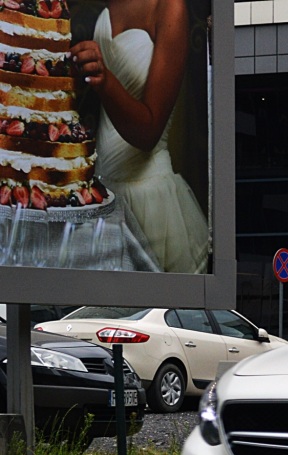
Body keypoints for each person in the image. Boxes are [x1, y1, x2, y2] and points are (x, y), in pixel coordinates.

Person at [70, 0, 209, 274]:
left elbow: (148, 133)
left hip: (151, 203)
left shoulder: (169, 7)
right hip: (103, 195)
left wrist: (105, 80)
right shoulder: (110, 4)